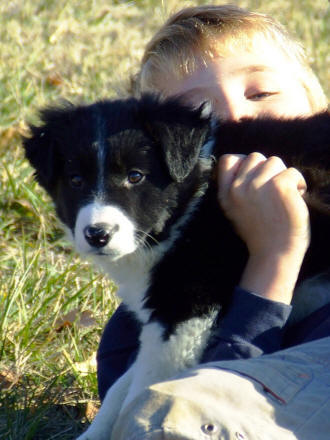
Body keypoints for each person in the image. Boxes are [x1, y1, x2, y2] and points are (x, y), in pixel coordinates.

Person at [97, 5, 330, 439]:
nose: (238, 120)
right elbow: (176, 421)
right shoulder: (140, 328)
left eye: (261, 93)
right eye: (198, 115)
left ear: (317, 109)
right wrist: (273, 261)